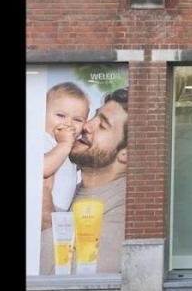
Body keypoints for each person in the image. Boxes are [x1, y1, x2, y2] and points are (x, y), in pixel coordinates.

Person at [40, 88, 128, 275]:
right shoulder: (68, 184)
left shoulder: (125, 211)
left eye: (102, 125)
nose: (86, 125)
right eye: (94, 116)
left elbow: (78, 283)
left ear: (126, 154)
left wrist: (44, 213)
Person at [40, 82, 90, 230]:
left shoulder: (70, 144)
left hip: (62, 213)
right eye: (61, 115)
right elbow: (42, 168)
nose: (68, 123)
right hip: (44, 211)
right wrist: (64, 145)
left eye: (77, 120)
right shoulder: (44, 139)